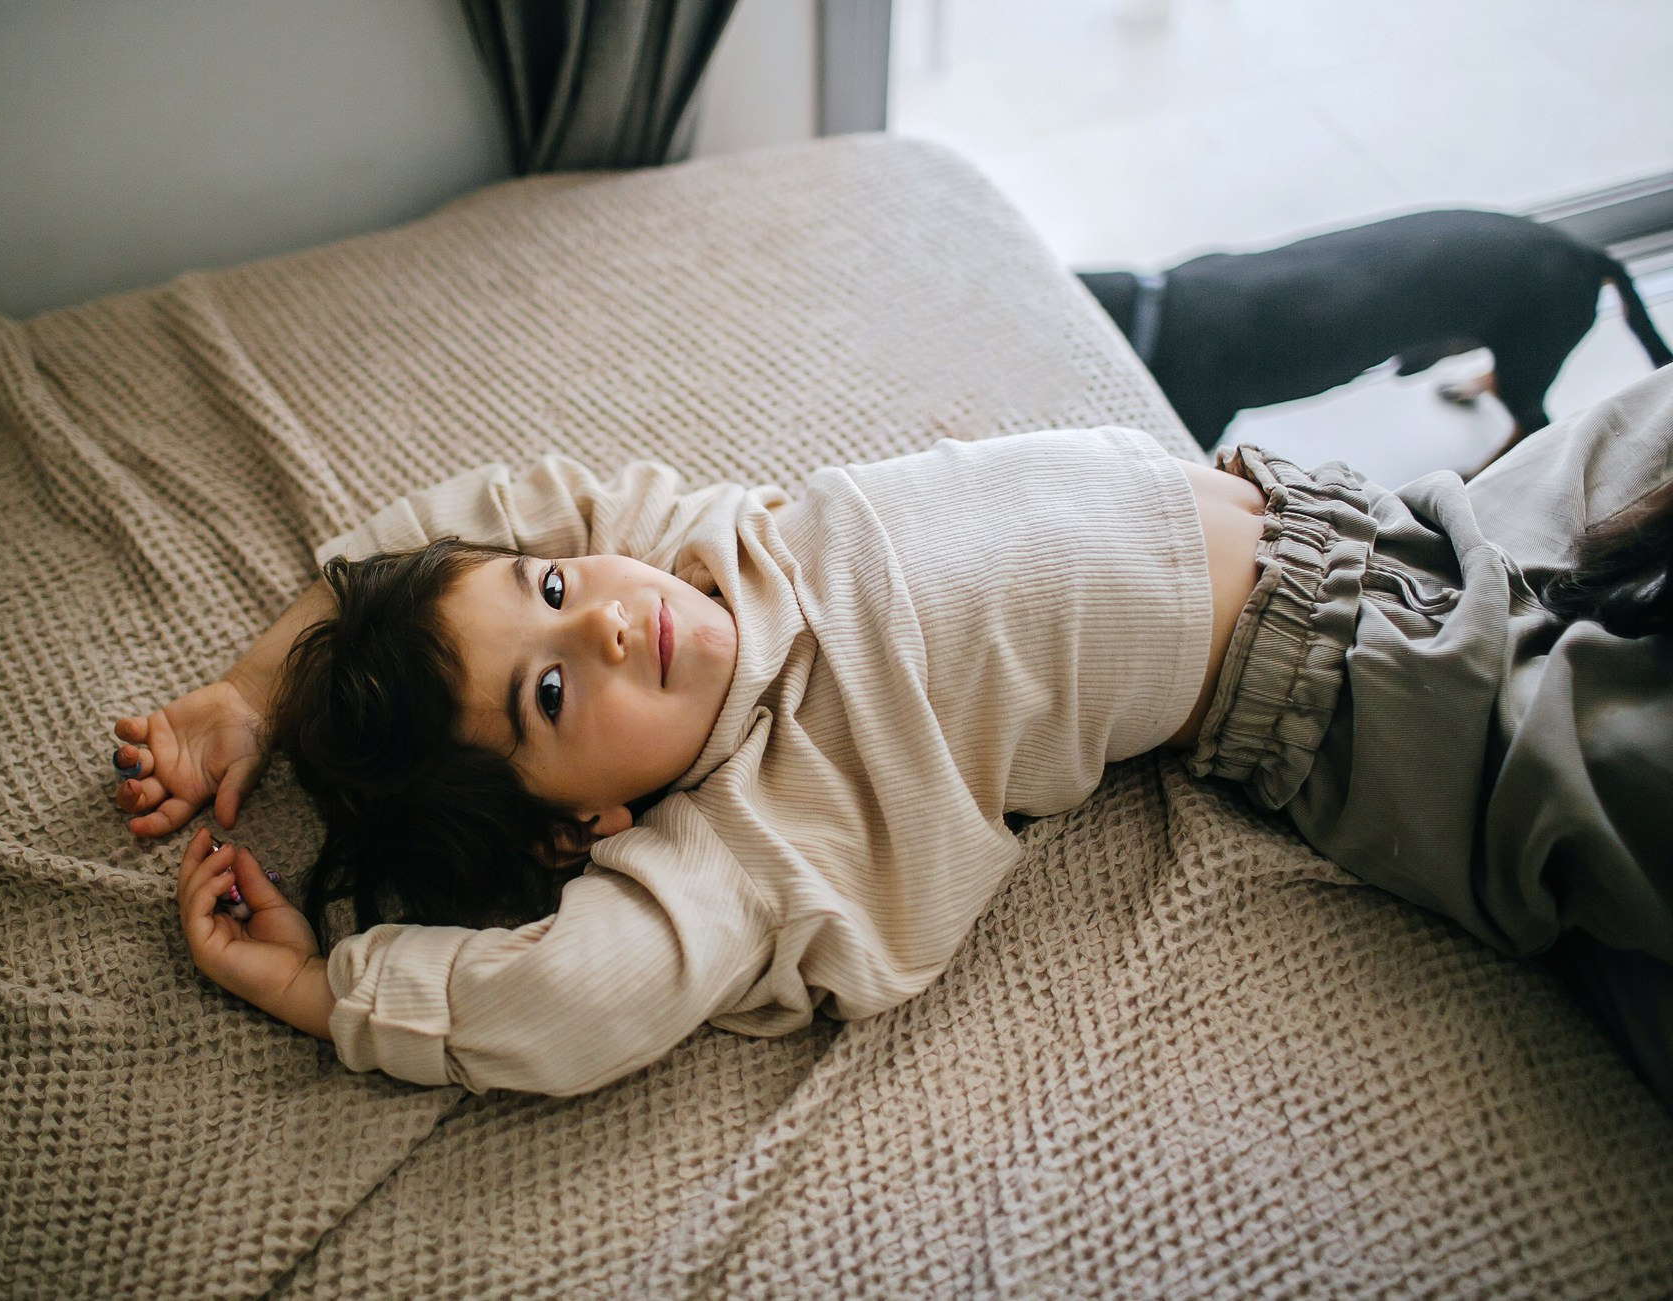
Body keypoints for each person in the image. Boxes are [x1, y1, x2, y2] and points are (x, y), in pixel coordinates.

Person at [113, 372, 1673, 1103]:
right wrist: (329, 994)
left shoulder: (704, 548)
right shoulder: (740, 838)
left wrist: (255, 686)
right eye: (547, 698)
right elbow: (569, 998)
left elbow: (486, 516)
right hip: (1386, 704)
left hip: (1386, 523)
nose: (596, 620)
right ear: (572, 830)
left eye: (549, 593)